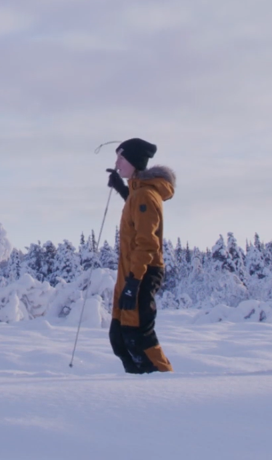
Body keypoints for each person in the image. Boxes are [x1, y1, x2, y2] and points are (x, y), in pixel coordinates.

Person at [105, 138, 175, 374]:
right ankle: (138, 389)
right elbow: (137, 213)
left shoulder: (145, 195)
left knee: (137, 337)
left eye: (121, 158)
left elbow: (147, 241)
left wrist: (134, 282)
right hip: (130, 271)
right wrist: (121, 189)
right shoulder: (137, 193)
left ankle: (166, 384)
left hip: (142, 272)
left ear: (135, 161)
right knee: (120, 336)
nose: (117, 163)